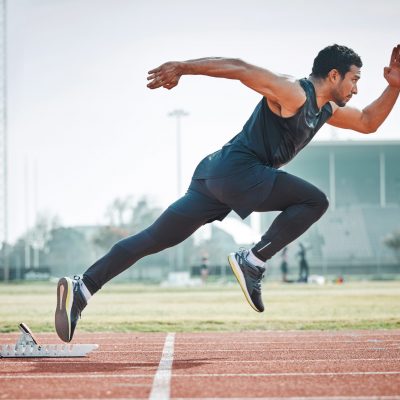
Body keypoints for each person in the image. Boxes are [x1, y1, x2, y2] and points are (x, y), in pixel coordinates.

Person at [55, 44, 400, 342]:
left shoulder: (325, 110)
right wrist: (183, 68)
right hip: (239, 171)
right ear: (335, 74)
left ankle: (82, 288)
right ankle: (252, 260)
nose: (356, 89)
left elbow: (369, 122)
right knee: (314, 200)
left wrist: (395, 87)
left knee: (153, 238)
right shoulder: (294, 92)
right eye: (355, 79)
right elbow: (241, 68)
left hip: (216, 176)